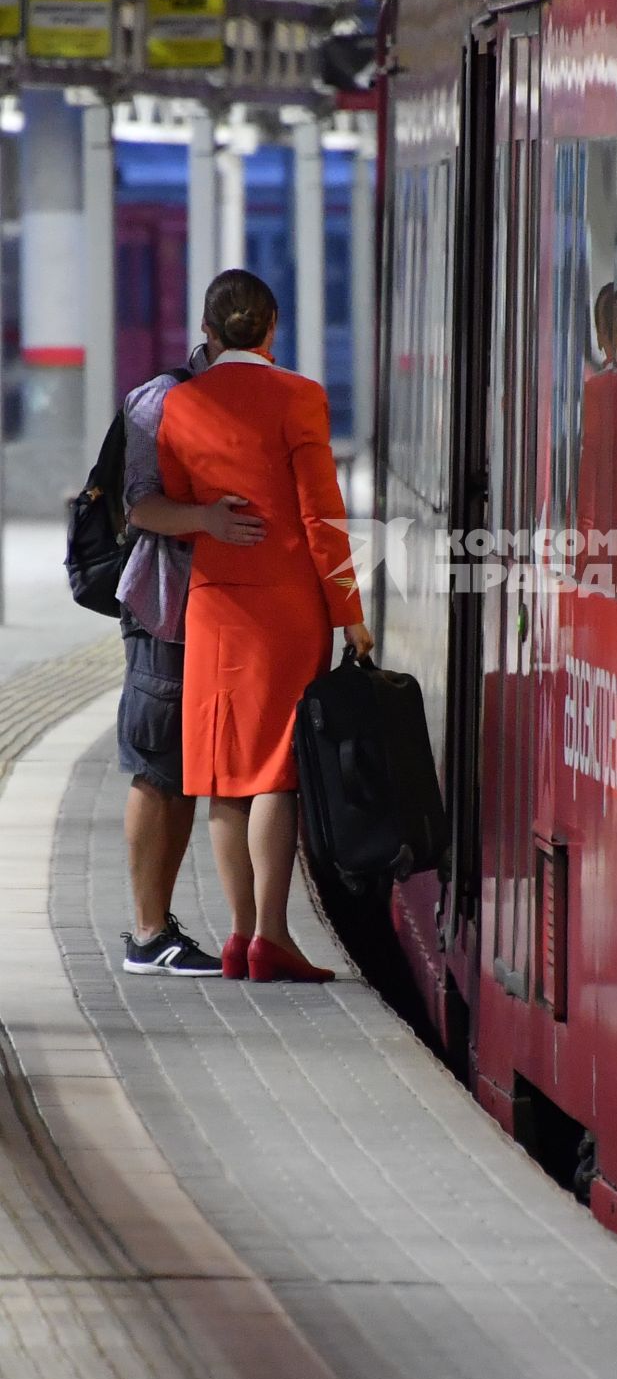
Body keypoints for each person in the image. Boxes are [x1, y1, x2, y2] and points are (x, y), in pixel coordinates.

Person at [151, 268, 372, 985]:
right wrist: (351, 616)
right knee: (277, 769)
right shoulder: (300, 397)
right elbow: (321, 519)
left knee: (223, 772)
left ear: (208, 332)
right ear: (272, 327)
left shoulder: (180, 404)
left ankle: (238, 934)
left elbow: (180, 505)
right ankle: (272, 936)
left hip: (215, 604)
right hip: (286, 609)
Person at [118, 342, 266, 975]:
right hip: (165, 610)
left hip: (209, 615)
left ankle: (158, 931)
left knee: (179, 769)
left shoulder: (247, 397)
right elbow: (140, 504)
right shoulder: (162, 399)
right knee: (158, 766)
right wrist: (205, 518)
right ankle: (149, 934)